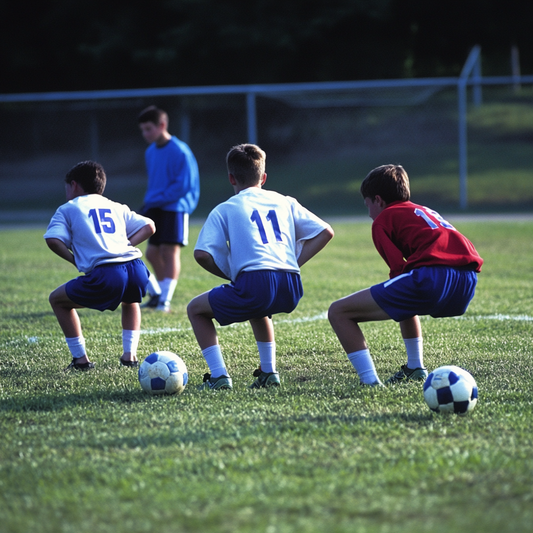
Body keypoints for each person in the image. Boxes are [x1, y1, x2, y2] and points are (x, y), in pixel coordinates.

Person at [187, 143, 334, 390]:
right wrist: (293, 263)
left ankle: (219, 376)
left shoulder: (225, 208)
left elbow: (202, 254)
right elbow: (326, 232)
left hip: (255, 282)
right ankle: (269, 372)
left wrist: (231, 274)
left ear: (231, 178)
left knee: (195, 309)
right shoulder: (285, 201)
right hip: (291, 286)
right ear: (264, 177)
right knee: (259, 309)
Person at [328, 164, 483, 386]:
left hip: (433, 277)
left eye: (367, 205)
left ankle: (370, 382)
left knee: (338, 311)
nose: (369, 212)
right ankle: (415, 367)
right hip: (467, 280)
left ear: (378, 200)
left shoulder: (383, 219)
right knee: (406, 290)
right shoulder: (425, 210)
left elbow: (397, 270)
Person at [44, 161, 155, 370]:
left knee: (58, 301)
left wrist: (73, 259)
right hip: (137, 268)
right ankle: (129, 357)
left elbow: (53, 239)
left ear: (74, 185)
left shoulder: (68, 208)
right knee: (131, 300)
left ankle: (80, 360)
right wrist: (127, 244)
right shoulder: (115, 206)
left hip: (108, 273)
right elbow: (149, 226)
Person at [137, 105, 200, 313]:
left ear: (162, 125)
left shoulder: (180, 151)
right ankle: (158, 295)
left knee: (169, 250)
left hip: (175, 207)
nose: (145, 134)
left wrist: (158, 199)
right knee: (152, 253)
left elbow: (183, 186)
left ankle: (165, 300)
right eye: (143, 130)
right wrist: (149, 201)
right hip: (155, 207)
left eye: (148, 129)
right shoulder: (150, 152)